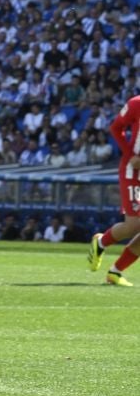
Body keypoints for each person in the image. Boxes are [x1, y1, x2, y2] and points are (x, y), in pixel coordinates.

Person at [87, 94, 140, 287]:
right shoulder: (136, 103)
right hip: (133, 171)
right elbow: (116, 128)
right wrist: (130, 155)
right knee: (134, 225)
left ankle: (115, 272)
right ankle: (101, 243)